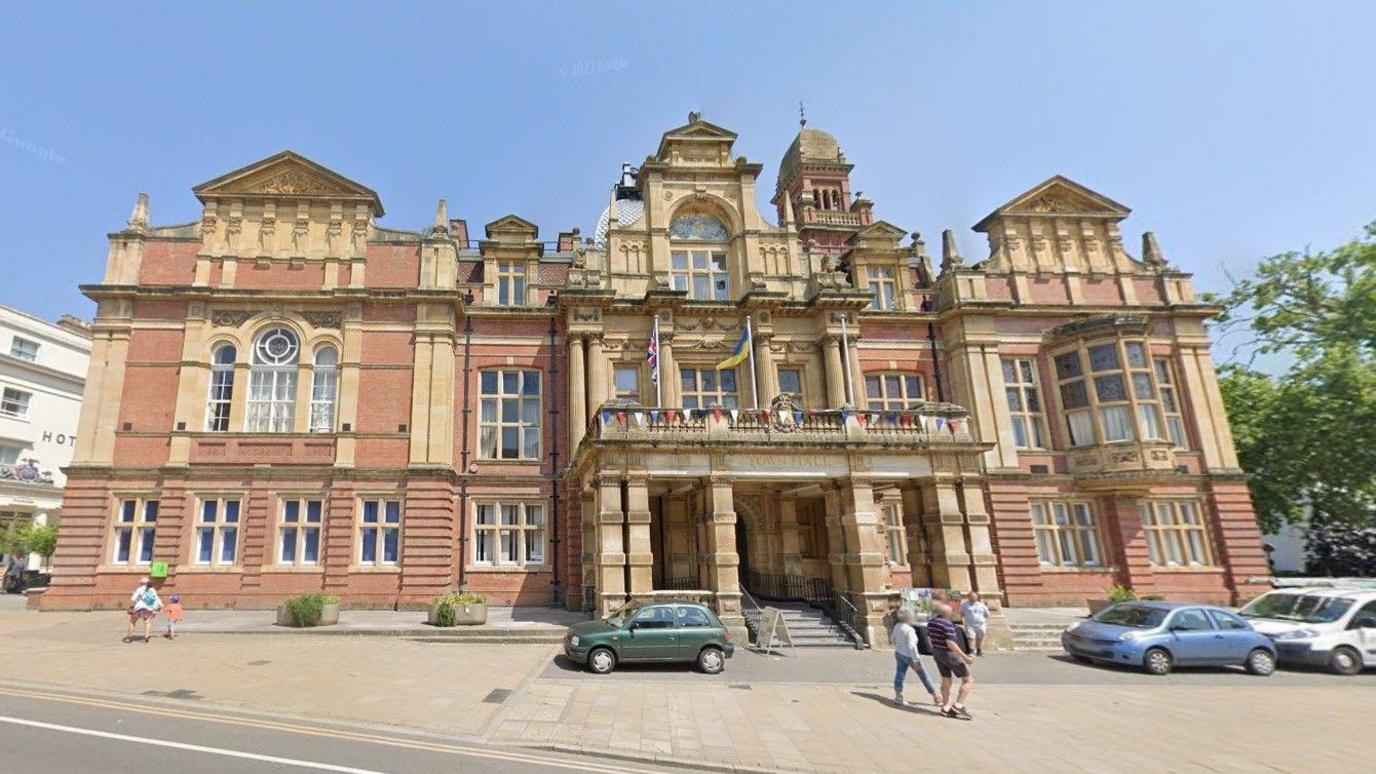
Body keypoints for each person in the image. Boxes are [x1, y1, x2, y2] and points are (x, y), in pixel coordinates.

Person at [928, 602, 975, 720]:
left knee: (946, 680)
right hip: (950, 655)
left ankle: (945, 707)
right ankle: (957, 706)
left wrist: (934, 648)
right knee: (968, 680)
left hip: (938, 654)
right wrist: (965, 657)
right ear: (947, 614)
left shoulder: (931, 623)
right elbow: (951, 643)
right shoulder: (947, 624)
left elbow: (928, 637)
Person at [890, 608, 941, 707]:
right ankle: (936, 697)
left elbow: (892, 639)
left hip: (900, 653)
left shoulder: (897, 626)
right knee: (924, 676)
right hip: (910, 656)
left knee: (900, 675)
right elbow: (912, 646)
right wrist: (916, 660)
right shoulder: (909, 630)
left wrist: (899, 646)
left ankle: (898, 696)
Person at [124, 577, 162, 643]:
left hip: (138, 608)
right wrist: (160, 606)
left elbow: (133, 599)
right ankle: (146, 637)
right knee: (147, 623)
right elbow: (156, 599)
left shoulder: (139, 589)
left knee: (132, 622)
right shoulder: (152, 589)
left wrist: (131, 606)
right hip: (148, 608)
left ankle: (128, 638)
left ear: (141, 583)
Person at [960, 592, 991, 656]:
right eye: (971, 596)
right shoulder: (965, 604)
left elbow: (987, 614)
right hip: (970, 624)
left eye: (974, 596)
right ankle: (971, 651)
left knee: (980, 637)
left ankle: (979, 650)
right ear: (969, 597)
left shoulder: (981, 605)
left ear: (977, 597)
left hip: (980, 624)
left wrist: (983, 617)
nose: (973, 598)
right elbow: (961, 613)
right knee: (971, 637)